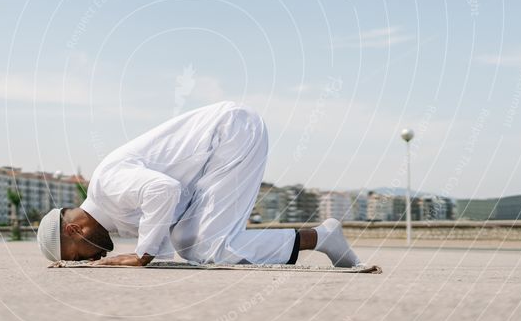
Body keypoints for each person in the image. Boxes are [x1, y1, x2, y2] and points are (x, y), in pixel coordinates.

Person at [38, 101, 360, 268]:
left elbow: (163, 191)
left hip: (231, 133)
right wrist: (154, 255)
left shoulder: (107, 185)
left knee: (210, 248)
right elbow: (168, 209)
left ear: (73, 231)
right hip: (219, 148)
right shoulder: (114, 213)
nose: (92, 261)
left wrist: (143, 255)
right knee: (191, 244)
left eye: (80, 256)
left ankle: (321, 238)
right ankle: (322, 237)